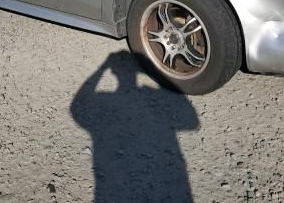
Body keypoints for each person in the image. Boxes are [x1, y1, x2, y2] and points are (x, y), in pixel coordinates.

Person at [71, 51, 199, 203]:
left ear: (112, 73)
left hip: (109, 189)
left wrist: (102, 68)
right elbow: (193, 122)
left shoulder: (105, 99)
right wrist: (162, 74)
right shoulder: (117, 98)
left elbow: (77, 106)